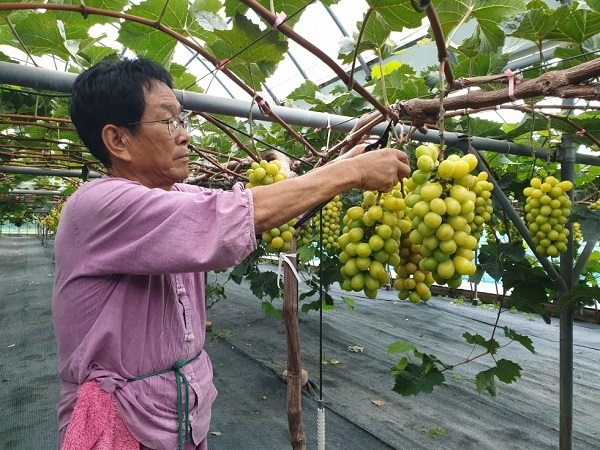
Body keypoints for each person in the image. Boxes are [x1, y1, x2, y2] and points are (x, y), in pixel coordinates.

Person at [52, 57, 410, 450]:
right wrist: (350, 173)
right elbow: (222, 219)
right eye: (168, 121)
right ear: (118, 140)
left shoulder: (174, 196)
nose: (184, 134)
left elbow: (238, 204)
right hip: (123, 422)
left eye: (182, 120)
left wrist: (342, 165)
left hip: (180, 413)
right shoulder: (99, 204)